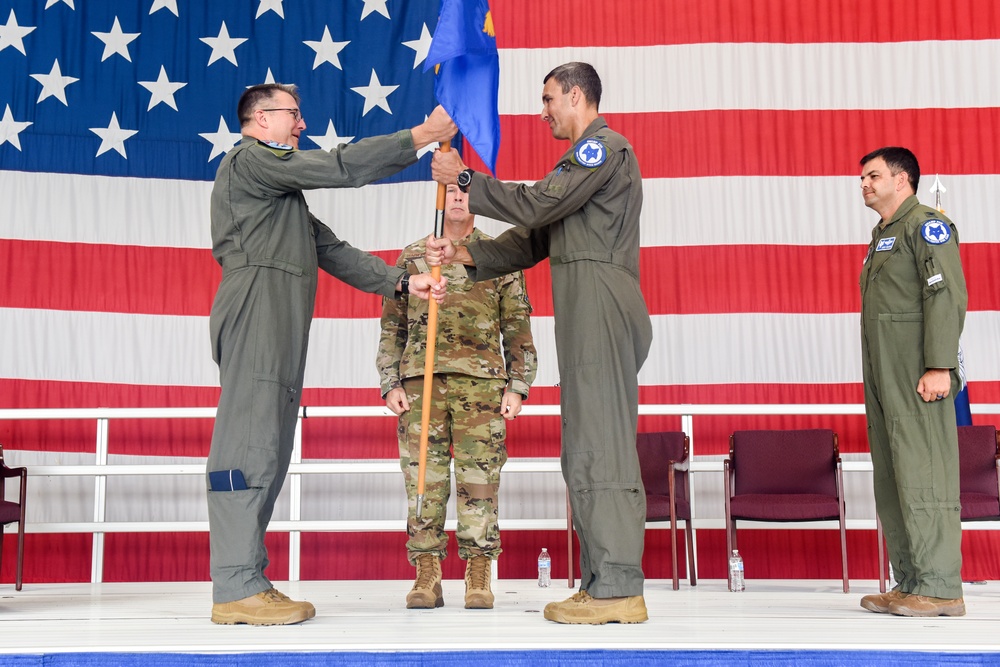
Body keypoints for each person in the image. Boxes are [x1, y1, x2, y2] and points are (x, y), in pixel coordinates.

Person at [206, 83, 455, 626]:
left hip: (278, 317)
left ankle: (248, 578)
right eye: (293, 115)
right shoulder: (252, 161)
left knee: (268, 447)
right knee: (248, 443)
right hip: (257, 310)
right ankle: (234, 586)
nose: (300, 125)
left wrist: (401, 281)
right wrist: (421, 137)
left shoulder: (280, 194)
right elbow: (343, 167)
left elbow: (330, 249)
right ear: (259, 119)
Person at [426, 62, 652, 625]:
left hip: (599, 300)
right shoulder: (575, 167)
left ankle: (619, 586)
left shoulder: (603, 150)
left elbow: (536, 205)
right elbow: (532, 238)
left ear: (576, 96)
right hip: (584, 305)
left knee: (602, 443)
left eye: (549, 98)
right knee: (584, 445)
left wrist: (464, 180)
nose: (543, 109)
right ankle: (603, 582)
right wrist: (464, 254)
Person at [376, 184, 537, 611]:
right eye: (452, 191)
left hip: (482, 386)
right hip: (420, 384)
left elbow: (517, 325)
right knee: (423, 480)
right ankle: (427, 572)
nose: (460, 199)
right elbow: (393, 327)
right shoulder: (414, 256)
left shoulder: (498, 256)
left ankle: (478, 570)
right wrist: (389, 381)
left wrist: (518, 385)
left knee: (479, 481)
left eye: (468, 191)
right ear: (440, 199)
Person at [857, 147, 968, 618]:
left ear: (901, 180)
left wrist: (940, 365)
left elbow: (946, 294)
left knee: (924, 471)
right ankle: (910, 581)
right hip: (885, 371)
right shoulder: (885, 233)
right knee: (893, 474)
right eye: (862, 177)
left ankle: (941, 586)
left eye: (873, 175)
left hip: (918, 371)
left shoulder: (926, 225)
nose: (864, 183)